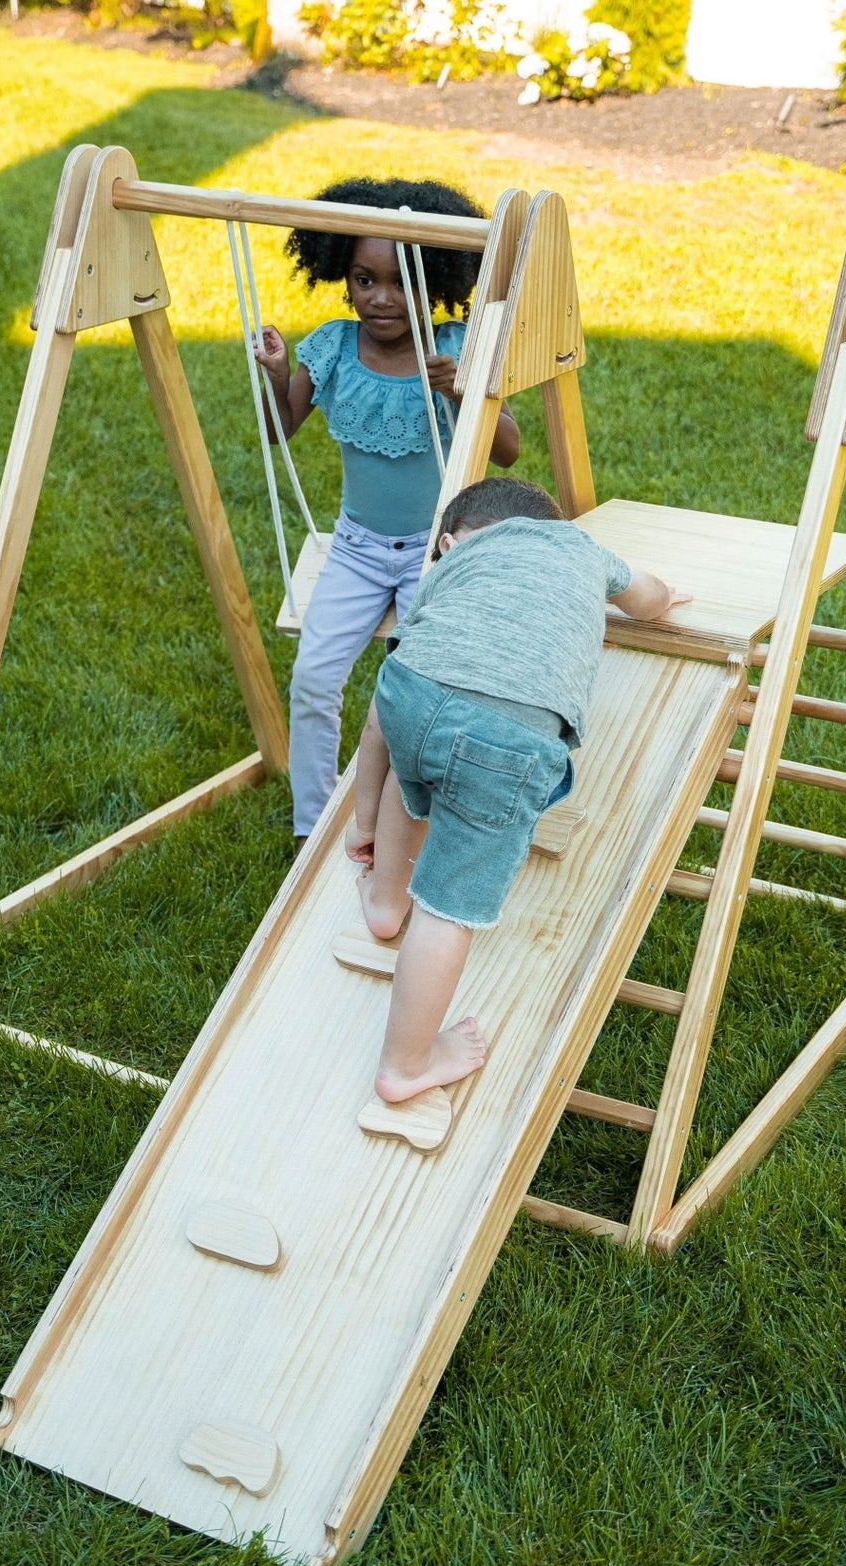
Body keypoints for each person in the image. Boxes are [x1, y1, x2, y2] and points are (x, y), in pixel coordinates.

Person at [343, 476, 690, 1105]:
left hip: (409, 692)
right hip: (508, 736)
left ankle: (385, 902)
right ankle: (407, 1064)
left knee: (408, 765)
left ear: (449, 541)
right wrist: (665, 599)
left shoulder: (452, 567)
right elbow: (647, 598)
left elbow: (375, 725)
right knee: (450, 905)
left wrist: (361, 822)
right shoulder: (581, 548)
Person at [251, 177, 522, 845]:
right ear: (342, 279)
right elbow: (278, 430)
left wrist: (463, 391)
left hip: (437, 552)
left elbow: (509, 449)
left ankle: (407, 818)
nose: (380, 298)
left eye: (400, 283)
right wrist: (278, 374)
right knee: (313, 679)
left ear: (435, 284)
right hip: (356, 549)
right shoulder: (335, 347)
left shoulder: (456, 347)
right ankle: (311, 825)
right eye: (363, 279)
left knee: (413, 691)